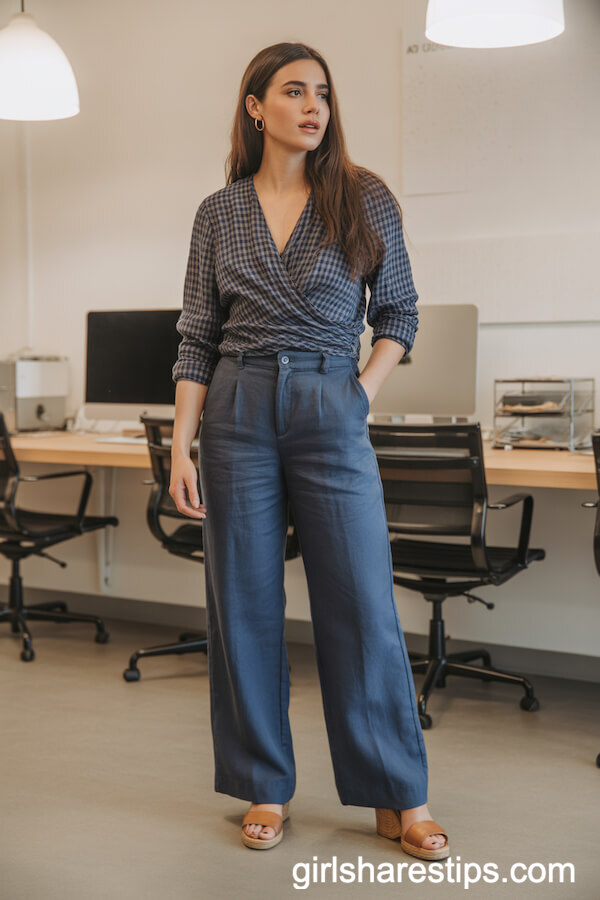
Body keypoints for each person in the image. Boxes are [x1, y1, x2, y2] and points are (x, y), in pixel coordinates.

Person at [169, 41, 449, 861]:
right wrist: (181, 443)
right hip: (237, 403)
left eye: (322, 92)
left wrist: (358, 393)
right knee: (243, 604)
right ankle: (264, 782)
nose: (313, 105)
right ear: (256, 106)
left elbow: (398, 312)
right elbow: (195, 337)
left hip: (332, 400)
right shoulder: (218, 213)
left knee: (362, 602)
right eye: (294, 91)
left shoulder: (363, 198)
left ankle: (401, 793)